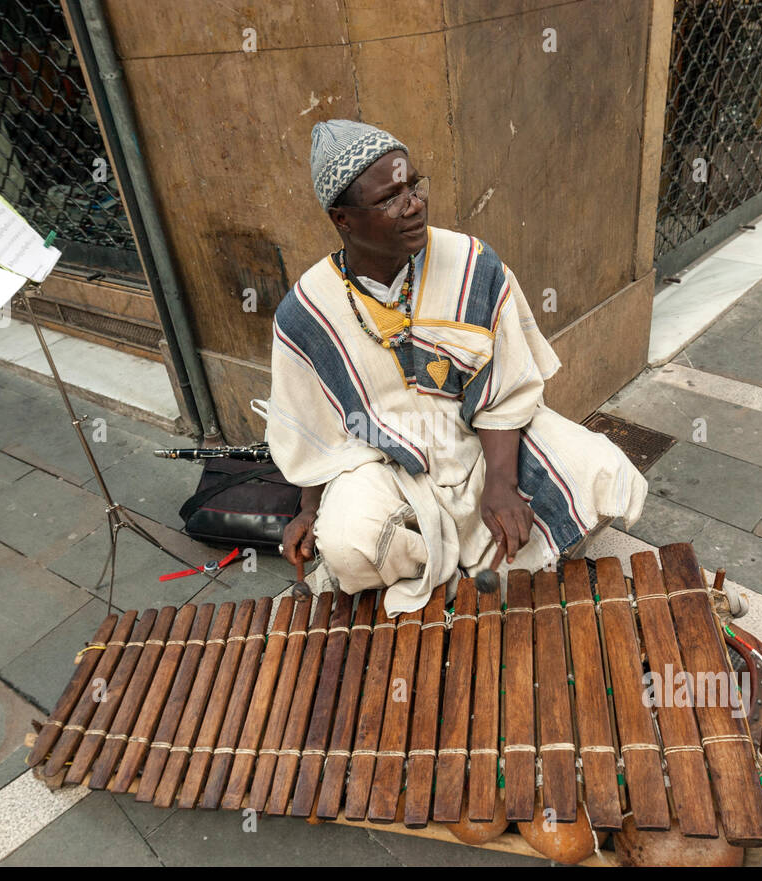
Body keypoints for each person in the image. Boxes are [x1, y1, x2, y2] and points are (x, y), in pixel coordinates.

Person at [265, 119, 646, 615]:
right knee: (345, 542)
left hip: (479, 441)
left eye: (414, 186)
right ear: (343, 219)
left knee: (599, 468)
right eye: (390, 198)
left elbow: (508, 389)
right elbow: (313, 431)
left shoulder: (473, 263)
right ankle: (450, 566)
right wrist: (308, 511)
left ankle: (478, 557)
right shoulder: (306, 311)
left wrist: (501, 485)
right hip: (384, 467)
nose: (415, 204)